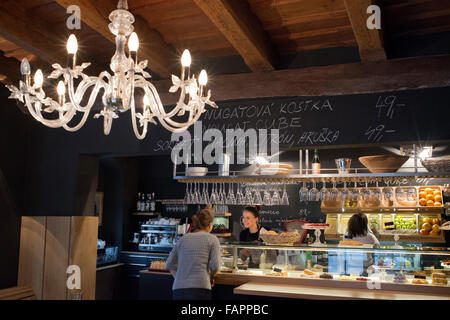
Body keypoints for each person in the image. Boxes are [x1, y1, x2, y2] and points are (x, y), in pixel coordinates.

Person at [166, 209, 221, 300]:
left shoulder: (183, 238)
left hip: (179, 290)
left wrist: (181, 278)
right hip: (200, 288)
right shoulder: (212, 239)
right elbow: (215, 266)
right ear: (210, 225)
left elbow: (170, 264)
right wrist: (210, 277)